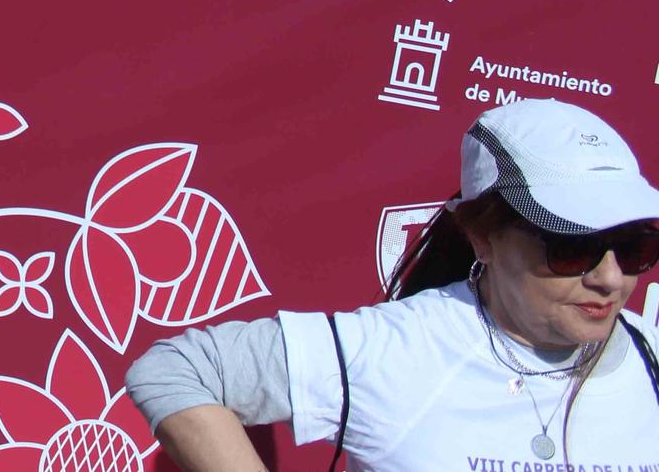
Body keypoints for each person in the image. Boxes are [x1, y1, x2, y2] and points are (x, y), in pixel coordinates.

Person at [125, 98, 659, 469]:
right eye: (570, 247)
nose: (610, 278)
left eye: (635, 246)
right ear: (483, 238)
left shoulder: (650, 359)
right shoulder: (397, 349)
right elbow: (177, 369)